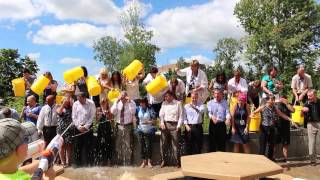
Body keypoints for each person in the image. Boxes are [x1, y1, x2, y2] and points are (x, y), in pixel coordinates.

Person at [252, 94, 292, 160]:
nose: (273, 101)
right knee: (263, 146)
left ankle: (270, 160)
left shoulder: (275, 108)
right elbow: (254, 112)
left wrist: (290, 119)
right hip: (264, 128)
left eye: (273, 100)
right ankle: (261, 160)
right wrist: (252, 114)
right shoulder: (263, 107)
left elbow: (281, 114)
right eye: (271, 100)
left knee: (271, 145)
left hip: (272, 128)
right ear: (267, 100)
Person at [110, 91, 136, 165]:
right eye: (121, 97)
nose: (122, 98)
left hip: (128, 125)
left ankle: (128, 162)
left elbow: (133, 112)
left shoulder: (132, 102)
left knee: (128, 144)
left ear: (126, 96)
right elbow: (112, 111)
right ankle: (119, 160)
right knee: (118, 144)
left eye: (123, 97)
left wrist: (129, 102)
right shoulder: (118, 102)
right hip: (119, 125)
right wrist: (116, 101)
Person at [159, 91, 183, 168]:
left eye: (168, 96)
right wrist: (162, 122)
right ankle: (163, 161)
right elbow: (161, 114)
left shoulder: (178, 103)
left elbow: (181, 116)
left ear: (172, 96)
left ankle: (177, 162)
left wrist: (179, 126)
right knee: (163, 144)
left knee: (175, 145)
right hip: (165, 125)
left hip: (175, 126)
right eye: (165, 97)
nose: (166, 98)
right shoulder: (164, 103)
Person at [72, 92, 96, 167]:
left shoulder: (91, 103)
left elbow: (92, 116)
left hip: (88, 127)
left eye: (80, 100)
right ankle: (77, 164)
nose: (79, 101)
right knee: (77, 146)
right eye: (78, 99)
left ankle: (89, 164)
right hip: (77, 127)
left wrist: (86, 126)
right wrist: (79, 127)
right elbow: (73, 116)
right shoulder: (75, 104)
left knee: (88, 146)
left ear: (84, 98)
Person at [136, 97, 157, 168]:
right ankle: (143, 161)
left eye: (142, 103)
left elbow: (155, 121)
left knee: (149, 146)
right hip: (140, 130)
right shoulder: (138, 109)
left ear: (145, 103)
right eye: (140, 103)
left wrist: (148, 122)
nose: (141, 104)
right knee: (142, 146)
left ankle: (149, 161)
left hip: (149, 130)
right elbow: (135, 117)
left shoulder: (151, 109)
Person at [56, 87, 74, 167]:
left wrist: (69, 98)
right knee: (61, 146)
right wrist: (63, 103)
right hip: (61, 130)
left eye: (67, 102)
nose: (66, 102)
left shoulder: (71, 108)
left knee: (68, 146)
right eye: (64, 101)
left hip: (69, 129)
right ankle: (63, 162)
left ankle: (68, 162)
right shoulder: (59, 107)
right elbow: (59, 112)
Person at [302, 89, 320, 166]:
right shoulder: (306, 103)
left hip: (319, 123)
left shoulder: (319, 102)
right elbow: (301, 116)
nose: (308, 97)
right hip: (310, 124)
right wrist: (302, 111)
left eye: (310, 96)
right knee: (312, 143)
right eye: (308, 96)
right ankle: (312, 160)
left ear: (315, 95)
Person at [275, 95, 295, 163]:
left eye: (285, 98)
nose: (284, 99)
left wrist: (287, 104)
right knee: (275, 142)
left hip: (286, 126)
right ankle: (273, 157)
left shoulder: (288, 104)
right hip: (278, 126)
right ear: (280, 98)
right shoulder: (277, 104)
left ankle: (285, 158)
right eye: (283, 98)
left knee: (285, 143)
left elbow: (293, 110)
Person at [95, 98, 113, 166]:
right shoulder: (98, 109)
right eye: (102, 102)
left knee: (109, 145)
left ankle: (109, 161)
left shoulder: (109, 110)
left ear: (107, 103)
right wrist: (100, 115)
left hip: (108, 130)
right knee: (100, 146)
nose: (103, 103)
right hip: (100, 130)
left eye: (104, 102)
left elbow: (112, 120)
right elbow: (95, 121)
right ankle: (101, 161)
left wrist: (108, 115)